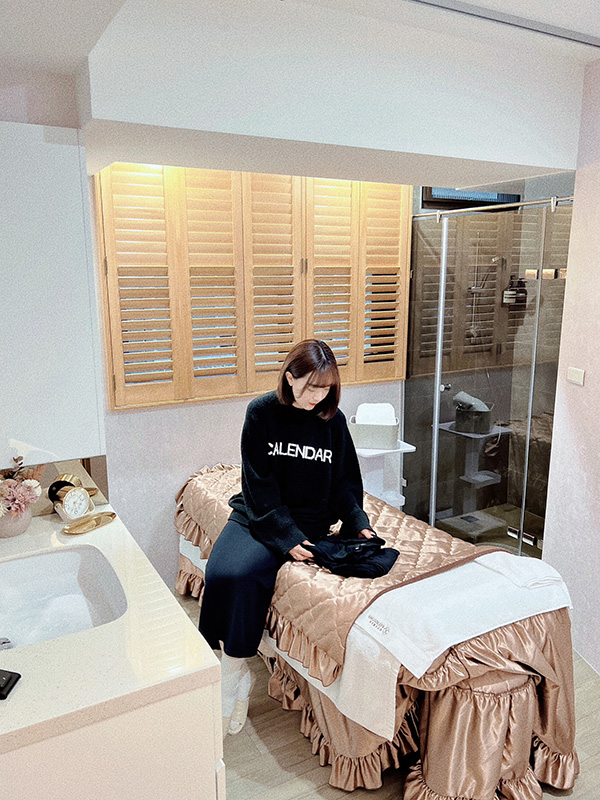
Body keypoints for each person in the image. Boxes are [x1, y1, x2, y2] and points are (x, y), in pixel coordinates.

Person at [198, 339, 373, 736]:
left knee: (247, 574)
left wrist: (358, 521)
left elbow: (345, 483)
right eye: (311, 387)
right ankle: (236, 671)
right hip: (260, 513)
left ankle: (231, 677)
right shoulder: (261, 413)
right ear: (290, 378)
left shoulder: (332, 421)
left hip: (310, 523)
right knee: (224, 573)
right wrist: (284, 535)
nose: (318, 396)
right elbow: (257, 481)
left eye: (326, 388)